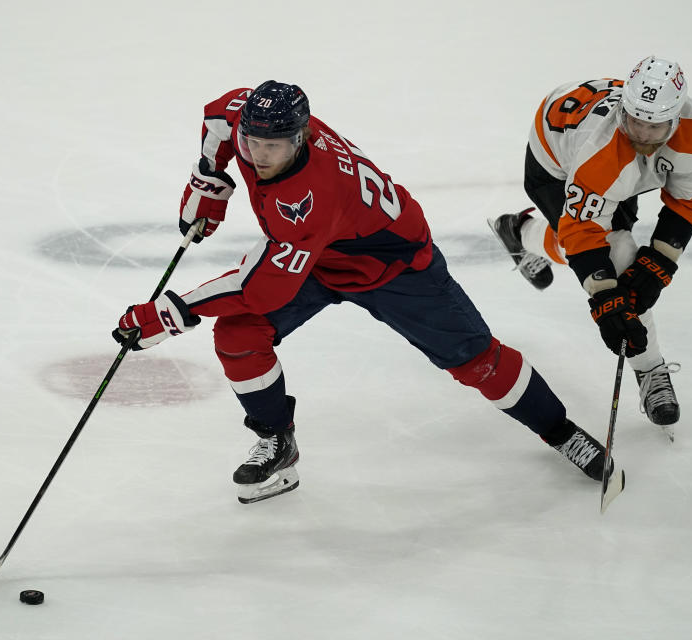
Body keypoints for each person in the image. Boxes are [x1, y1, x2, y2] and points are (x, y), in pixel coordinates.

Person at [113, 80, 623, 504]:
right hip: (322, 257)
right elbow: (219, 119)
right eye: (252, 143)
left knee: (477, 361)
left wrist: (173, 311)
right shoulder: (245, 120)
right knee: (240, 336)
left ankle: (560, 431)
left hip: (394, 266)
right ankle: (276, 443)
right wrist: (209, 177)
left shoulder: (308, 197)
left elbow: (259, 287)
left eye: (273, 147)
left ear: (301, 138)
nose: (258, 156)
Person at [489, 56, 692, 435]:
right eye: (635, 121)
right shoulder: (600, 153)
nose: (643, 134)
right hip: (557, 157)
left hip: (606, 161)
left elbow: (689, 200)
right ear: (624, 111)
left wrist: (661, 262)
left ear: (677, 118)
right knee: (618, 256)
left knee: (615, 253)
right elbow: (583, 233)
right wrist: (604, 298)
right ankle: (651, 369)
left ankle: (521, 232)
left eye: (655, 125)